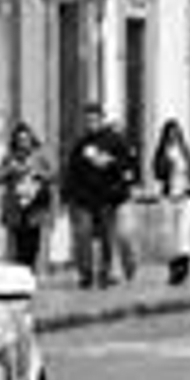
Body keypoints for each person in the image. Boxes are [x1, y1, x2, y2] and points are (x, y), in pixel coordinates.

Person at [63, 102, 139, 289]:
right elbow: (72, 170)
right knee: (83, 234)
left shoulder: (115, 140)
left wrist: (111, 163)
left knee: (107, 236)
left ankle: (104, 272)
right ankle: (86, 274)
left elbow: (128, 165)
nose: (91, 123)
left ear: (101, 119)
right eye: (88, 120)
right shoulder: (80, 144)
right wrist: (69, 193)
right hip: (83, 198)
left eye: (95, 119)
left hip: (108, 197)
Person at [0, 122, 55, 269]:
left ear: (31, 139)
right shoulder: (10, 156)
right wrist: (10, 170)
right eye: (20, 139)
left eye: (26, 139)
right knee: (18, 240)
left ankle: (30, 268)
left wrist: (37, 172)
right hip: (16, 205)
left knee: (33, 239)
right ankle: (21, 269)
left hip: (35, 203)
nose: (23, 143)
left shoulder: (40, 155)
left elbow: (53, 175)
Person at [152, 118, 190, 286]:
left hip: (187, 197)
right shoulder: (161, 153)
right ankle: (173, 268)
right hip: (169, 198)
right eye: (170, 134)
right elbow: (157, 173)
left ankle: (183, 268)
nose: (173, 137)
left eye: (176, 133)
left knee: (184, 233)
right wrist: (168, 162)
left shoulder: (186, 152)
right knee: (170, 235)